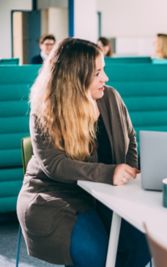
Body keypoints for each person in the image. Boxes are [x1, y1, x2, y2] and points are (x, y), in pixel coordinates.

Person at [17, 38, 150, 267]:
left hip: (109, 192)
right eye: (98, 73)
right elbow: (54, 165)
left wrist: (127, 176)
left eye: (104, 70)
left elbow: (131, 140)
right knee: (94, 254)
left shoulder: (111, 97)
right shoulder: (44, 109)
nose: (105, 78)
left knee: (142, 245)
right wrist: (109, 173)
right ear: (75, 77)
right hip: (58, 195)